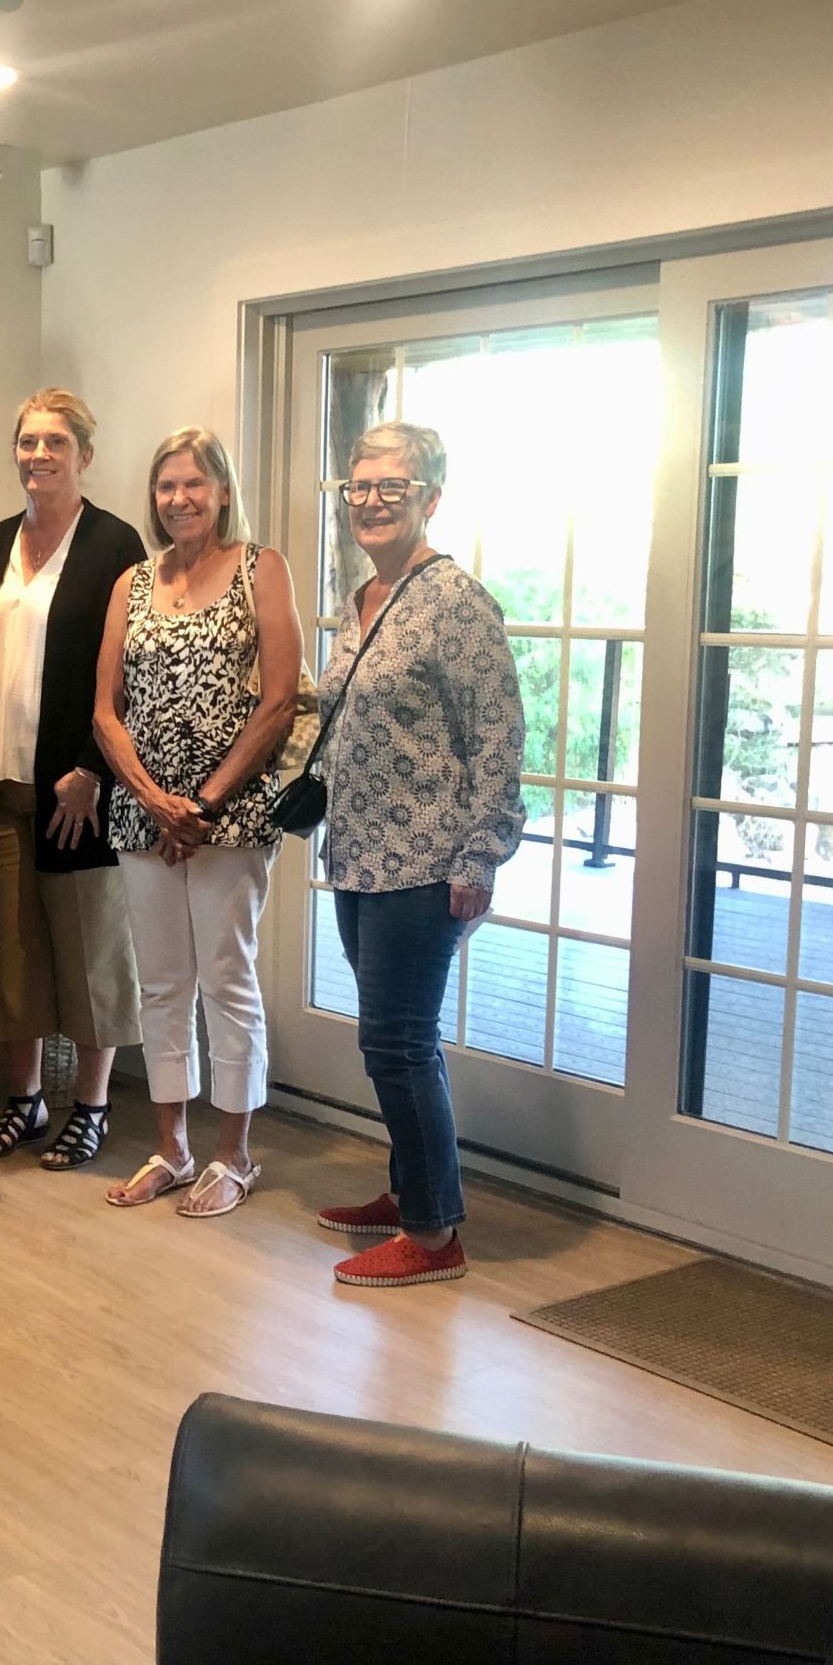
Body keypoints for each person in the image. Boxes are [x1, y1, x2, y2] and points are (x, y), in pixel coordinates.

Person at [316, 422, 525, 1288]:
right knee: (388, 1044)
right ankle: (411, 1192)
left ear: (430, 499)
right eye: (358, 487)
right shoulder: (367, 597)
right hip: (360, 856)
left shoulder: (456, 602)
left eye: (389, 488)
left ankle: (436, 1235)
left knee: (399, 1042)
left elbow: (500, 735)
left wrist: (481, 855)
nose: (369, 501)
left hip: (427, 860)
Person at [93, 429, 304, 1217]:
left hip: (231, 816)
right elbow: (104, 711)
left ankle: (234, 1154)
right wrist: (152, 797)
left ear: (221, 490)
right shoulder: (133, 583)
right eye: (164, 486)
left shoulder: (261, 568)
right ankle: (173, 1148)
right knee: (162, 981)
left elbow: (279, 699)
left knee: (226, 978)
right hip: (143, 812)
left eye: (192, 484)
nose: (177, 499)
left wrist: (203, 804)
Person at [0, 390, 148, 1173]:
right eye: (28, 440)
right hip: (2, 788)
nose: (39, 455)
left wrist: (92, 771)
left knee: (91, 955)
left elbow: (134, 674)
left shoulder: (116, 546)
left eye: (56, 443)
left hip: (79, 792)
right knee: (14, 959)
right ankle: (27, 1101)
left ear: (85, 456)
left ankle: (93, 1106)